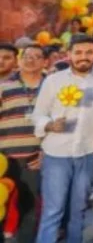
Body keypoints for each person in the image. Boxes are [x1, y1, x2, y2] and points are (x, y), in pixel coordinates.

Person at [31, 35, 93, 243]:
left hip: (89, 152)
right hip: (56, 153)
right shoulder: (53, 81)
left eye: (88, 52)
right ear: (69, 55)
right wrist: (50, 125)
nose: (83, 57)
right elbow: (38, 114)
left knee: (78, 210)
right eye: (78, 52)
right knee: (53, 210)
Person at [0, 45, 45, 243]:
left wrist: (46, 153)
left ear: (45, 62)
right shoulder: (4, 87)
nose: (31, 60)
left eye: (37, 57)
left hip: (35, 158)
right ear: (20, 60)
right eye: (27, 56)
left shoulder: (51, 88)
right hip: (4, 159)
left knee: (29, 208)